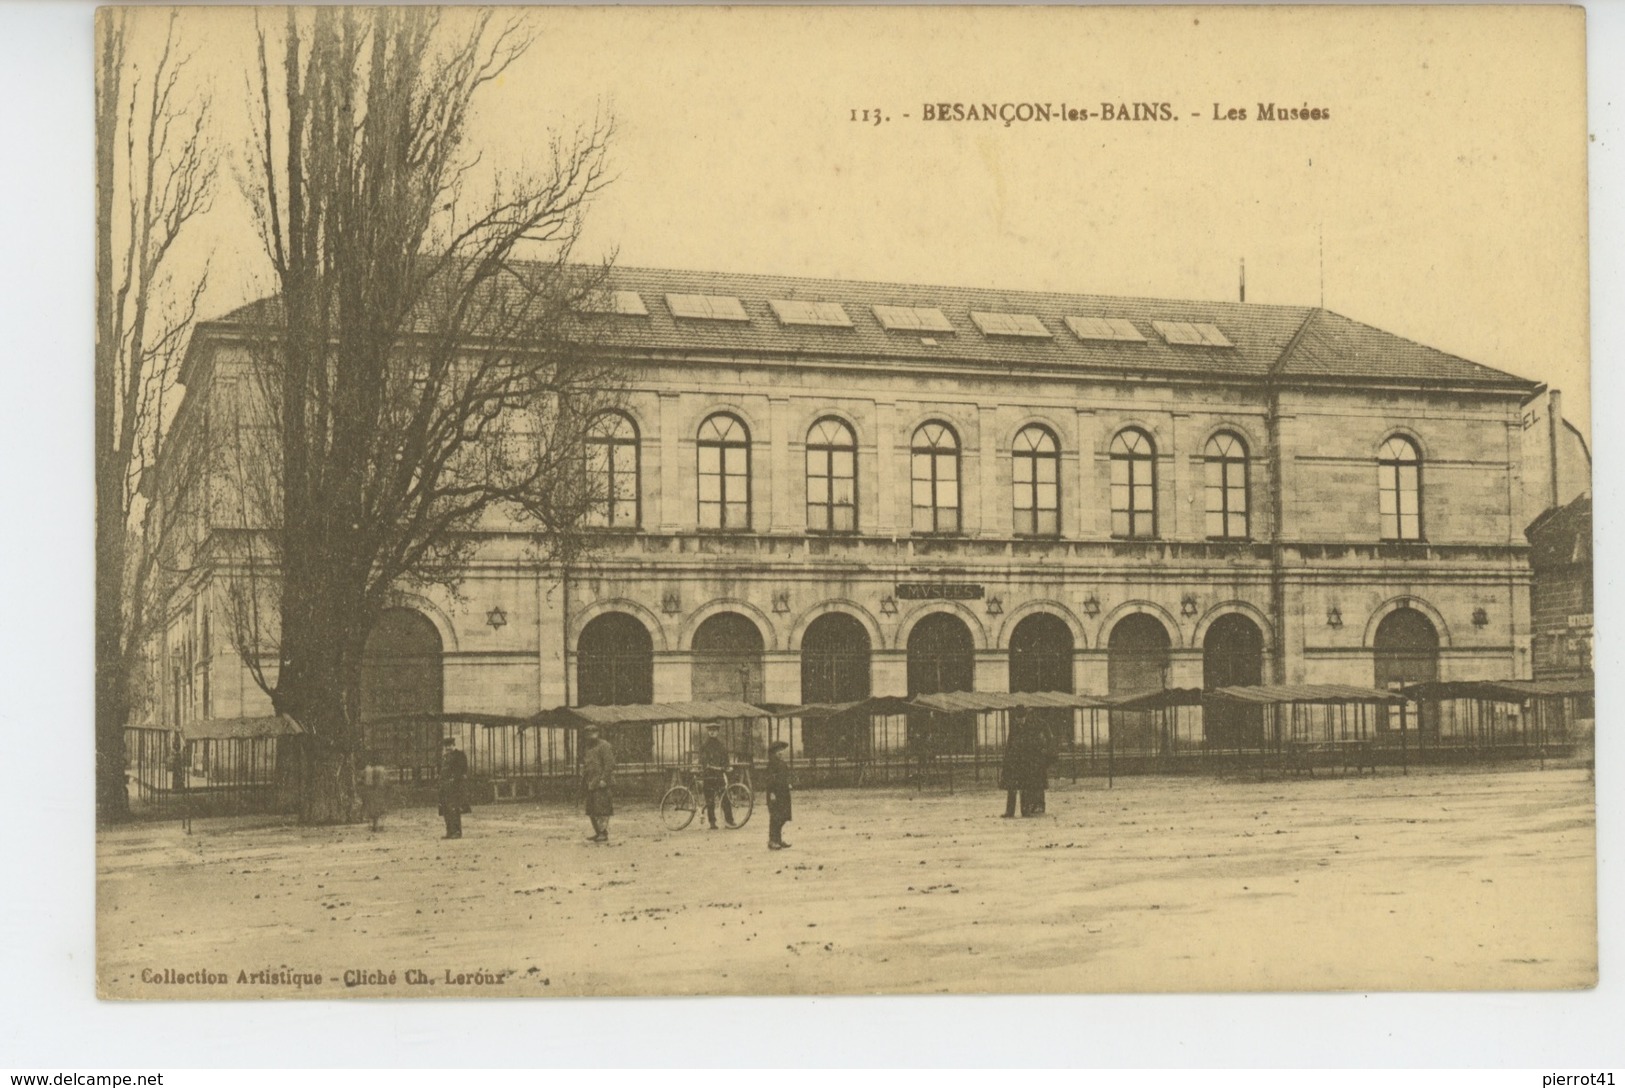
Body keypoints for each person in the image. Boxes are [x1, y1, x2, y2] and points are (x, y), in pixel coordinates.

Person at [581, 725, 616, 843]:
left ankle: (603, 833)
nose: (590, 736)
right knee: (591, 809)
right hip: (591, 782)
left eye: (593, 733)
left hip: (601, 783)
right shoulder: (588, 748)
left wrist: (604, 780)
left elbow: (609, 764)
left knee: (602, 808)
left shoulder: (604, 746)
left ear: (597, 733)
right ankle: (598, 832)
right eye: (588, 734)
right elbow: (587, 764)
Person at [697, 722, 735, 829]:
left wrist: (726, 767)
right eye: (710, 730)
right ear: (708, 731)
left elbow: (725, 760)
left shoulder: (721, 746)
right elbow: (703, 761)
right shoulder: (704, 746)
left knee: (725, 798)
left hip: (718, 775)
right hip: (708, 775)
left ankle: (729, 821)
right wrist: (708, 766)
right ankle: (712, 822)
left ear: (717, 732)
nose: (712, 732)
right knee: (710, 800)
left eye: (714, 730)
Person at [438, 737, 469, 839]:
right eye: (446, 746)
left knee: (454, 809)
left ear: (453, 745)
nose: (448, 748)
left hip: (455, 787)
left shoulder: (459, 755)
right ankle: (449, 832)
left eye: (449, 745)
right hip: (445, 787)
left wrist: (454, 780)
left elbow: (461, 770)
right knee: (446, 810)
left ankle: (457, 832)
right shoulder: (445, 757)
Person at [765, 739, 793, 850]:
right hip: (775, 794)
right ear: (774, 752)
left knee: (782, 817)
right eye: (778, 751)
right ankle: (772, 841)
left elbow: (786, 776)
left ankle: (778, 839)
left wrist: (789, 783)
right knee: (775, 817)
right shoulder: (772, 764)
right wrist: (771, 793)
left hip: (783, 794)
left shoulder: (782, 763)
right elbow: (769, 780)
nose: (781, 753)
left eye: (782, 750)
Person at [359, 752, 389, 832]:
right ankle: (379, 825)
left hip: (371, 789)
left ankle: (375, 825)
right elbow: (385, 780)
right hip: (380, 789)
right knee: (380, 807)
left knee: (372, 807)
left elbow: (365, 780)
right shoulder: (381, 769)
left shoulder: (369, 769)